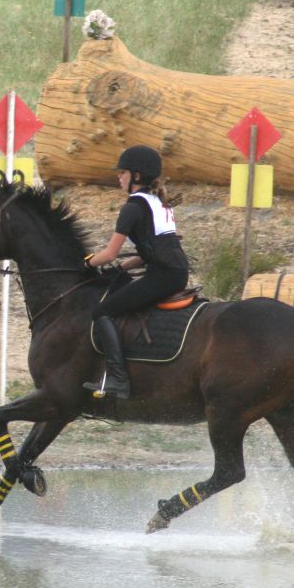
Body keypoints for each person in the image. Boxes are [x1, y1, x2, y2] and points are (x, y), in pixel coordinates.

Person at [82, 145, 189, 399]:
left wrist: (86, 263)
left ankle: (118, 380)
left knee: (102, 311)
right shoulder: (159, 203)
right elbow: (150, 251)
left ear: (136, 176)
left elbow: (108, 253)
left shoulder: (132, 207)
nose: (119, 177)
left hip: (162, 276)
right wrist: (123, 265)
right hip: (176, 271)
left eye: (122, 173)